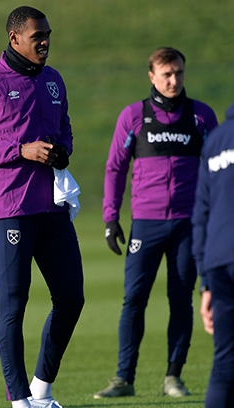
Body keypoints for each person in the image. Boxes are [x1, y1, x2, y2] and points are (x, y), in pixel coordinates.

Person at [0, 6, 84, 408]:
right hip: (10, 209)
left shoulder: (53, 80)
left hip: (53, 207)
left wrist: (62, 150)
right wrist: (21, 150)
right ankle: (19, 401)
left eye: (48, 34)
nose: (45, 41)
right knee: (14, 304)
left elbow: (65, 129)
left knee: (71, 298)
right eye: (37, 36)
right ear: (14, 39)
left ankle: (42, 391)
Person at [95, 47, 218, 399]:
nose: (173, 80)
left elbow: (220, 169)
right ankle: (123, 378)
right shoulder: (133, 116)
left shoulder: (202, 117)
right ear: (151, 76)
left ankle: (173, 377)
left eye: (178, 72)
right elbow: (115, 168)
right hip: (145, 224)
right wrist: (110, 217)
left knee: (181, 300)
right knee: (133, 299)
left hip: (188, 224)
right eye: (166, 74)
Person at [193, 100, 234, 407]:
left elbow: (201, 214)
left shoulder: (216, 139)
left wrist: (205, 282)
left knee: (224, 363)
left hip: (218, 260)